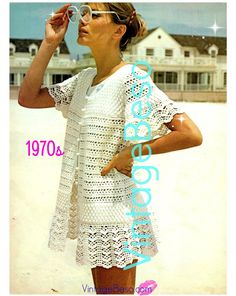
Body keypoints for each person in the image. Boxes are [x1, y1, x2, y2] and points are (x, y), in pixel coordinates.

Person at [18, 2, 203, 294]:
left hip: (117, 213)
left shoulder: (132, 79)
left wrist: (131, 153)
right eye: (84, 12)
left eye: (94, 14)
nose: (84, 19)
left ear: (118, 30)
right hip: (93, 210)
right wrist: (50, 43)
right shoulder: (84, 81)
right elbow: (28, 98)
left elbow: (190, 133)